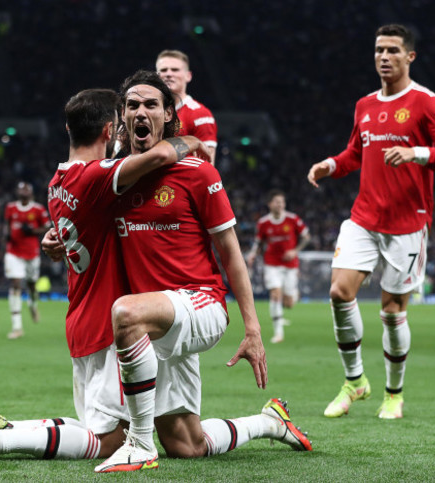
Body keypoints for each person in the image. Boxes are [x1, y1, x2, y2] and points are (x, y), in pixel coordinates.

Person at [0, 88, 210, 463]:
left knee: (96, 432)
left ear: (68, 127)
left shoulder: (57, 183)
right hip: (107, 324)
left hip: (80, 320)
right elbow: (164, 153)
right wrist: (193, 139)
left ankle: (5, 428)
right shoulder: (98, 177)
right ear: (109, 130)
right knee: (109, 442)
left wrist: (52, 241)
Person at [94, 70, 311, 473]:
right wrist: (56, 239)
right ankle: (268, 422)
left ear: (168, 116)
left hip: (200, 304)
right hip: (156, 320)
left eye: (151, 105)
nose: (141, 111)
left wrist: (253, 330)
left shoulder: (198, 173)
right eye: (132, 105)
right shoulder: (113, 178)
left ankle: (139, 445)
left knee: (126, 312)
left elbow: (231, 255)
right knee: (187, 445)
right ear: (122, 117)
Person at [307, 24, 435, 419]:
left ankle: (393, 394)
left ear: (409, 56)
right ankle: (355, 382)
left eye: (393, 50)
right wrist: (330, 165)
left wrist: (417, 153)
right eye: (379, 49)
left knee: (393, 311)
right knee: (339, 292)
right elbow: (354, 154)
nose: (384, 57)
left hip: (407, 224)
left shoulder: (425, 102)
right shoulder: (364, 105)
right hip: (364, 217)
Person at [246, 189, 310, 344]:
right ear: (270, 204)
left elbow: (306, 237)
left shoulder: (292, 219)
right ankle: (278, 333)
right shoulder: (263, 223)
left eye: (282, 202)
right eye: (277, 202)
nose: (280, 204)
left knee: (289, 303)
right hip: (272, 264)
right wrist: (253, 253)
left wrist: (295, 251)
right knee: (275, 294)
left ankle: (291, 297)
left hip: (290, 265)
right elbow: (258, 242)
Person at [3, 181, 50, 339]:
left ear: (31, 193)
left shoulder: (38, 209)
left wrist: (32, 230)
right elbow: (7, 224)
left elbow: (47, 226)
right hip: (13, 252)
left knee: (31, 285)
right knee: (15, 283)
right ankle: (17, 327)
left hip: (31, 253)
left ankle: (33, 305)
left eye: (26, 189)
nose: (23, 191)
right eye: (20, 189)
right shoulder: (10, 207)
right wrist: (7, 235)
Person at [156, 49, 218, 165]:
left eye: (175, 70)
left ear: (188, 76)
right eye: (163, 70)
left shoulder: (200, 114)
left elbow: (207, 165)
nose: (169, 74)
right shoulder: (150, 112)